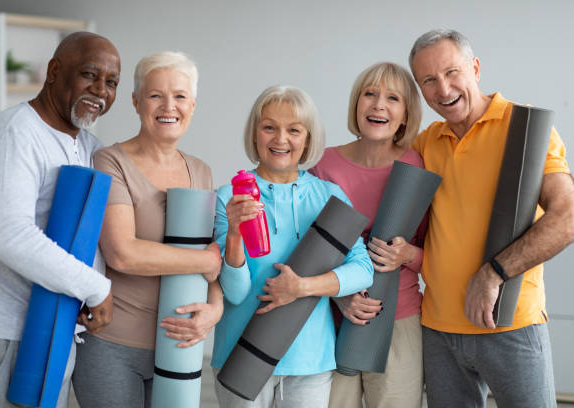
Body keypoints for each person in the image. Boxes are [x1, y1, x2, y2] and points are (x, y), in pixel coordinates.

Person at [409, 29, 574, 407]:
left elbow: (567, 218)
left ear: (476, 68)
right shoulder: (425, 142)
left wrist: (494, 272)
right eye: (429, 81)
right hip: (438, 330)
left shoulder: (528, 131)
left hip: (511, 325)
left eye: (452, 72)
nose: (443, 89)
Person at [0, 32, 120, 408]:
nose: (100, 90)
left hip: (56, 328)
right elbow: (10, 235)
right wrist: (96, 288)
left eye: (111, 82)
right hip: (1, 333)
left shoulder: (86, 145)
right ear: (54, 72)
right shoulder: (14, 133)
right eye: (89, 75)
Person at [71, 51, 223, 408]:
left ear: (193, 105)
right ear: (137, 102)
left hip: (179, 346)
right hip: (113, 345)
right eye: (156, 95)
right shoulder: (110, 161)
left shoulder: (201, 171)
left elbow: (215, 260)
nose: (169, 106)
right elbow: (123, 252)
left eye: (180, 96)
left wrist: (214, 310)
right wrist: (203, 261)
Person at [210, 85, 374, 408]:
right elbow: (234, 292)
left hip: (309, 359)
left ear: (307, 138)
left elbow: (363, 269)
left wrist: (302, 287)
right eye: (269, 127)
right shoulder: (229, 197)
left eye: (293, 130)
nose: (280, 139)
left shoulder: (329, 196)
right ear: (254, 134)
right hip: (240, 354)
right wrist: (233, 233)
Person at [311, 62, 426, 408]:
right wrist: (338, 297)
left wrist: (407, 255)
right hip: (330, 317)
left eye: (393, 98)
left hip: (399, 318)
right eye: (370, 94)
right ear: (356, 104)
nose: (379, 105)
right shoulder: (323, 165)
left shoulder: (417, 166)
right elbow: (308, 250)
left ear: (405, 115)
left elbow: (431, 251)